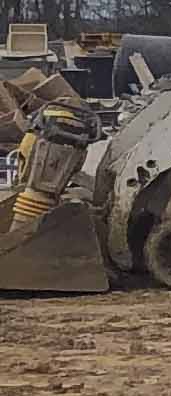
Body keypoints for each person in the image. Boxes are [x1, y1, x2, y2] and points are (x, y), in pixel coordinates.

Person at [0, 55, 96, 254]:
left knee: (35, 195)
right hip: (40, 189)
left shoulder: (50, 141)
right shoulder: (56, 141)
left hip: (41, 191)